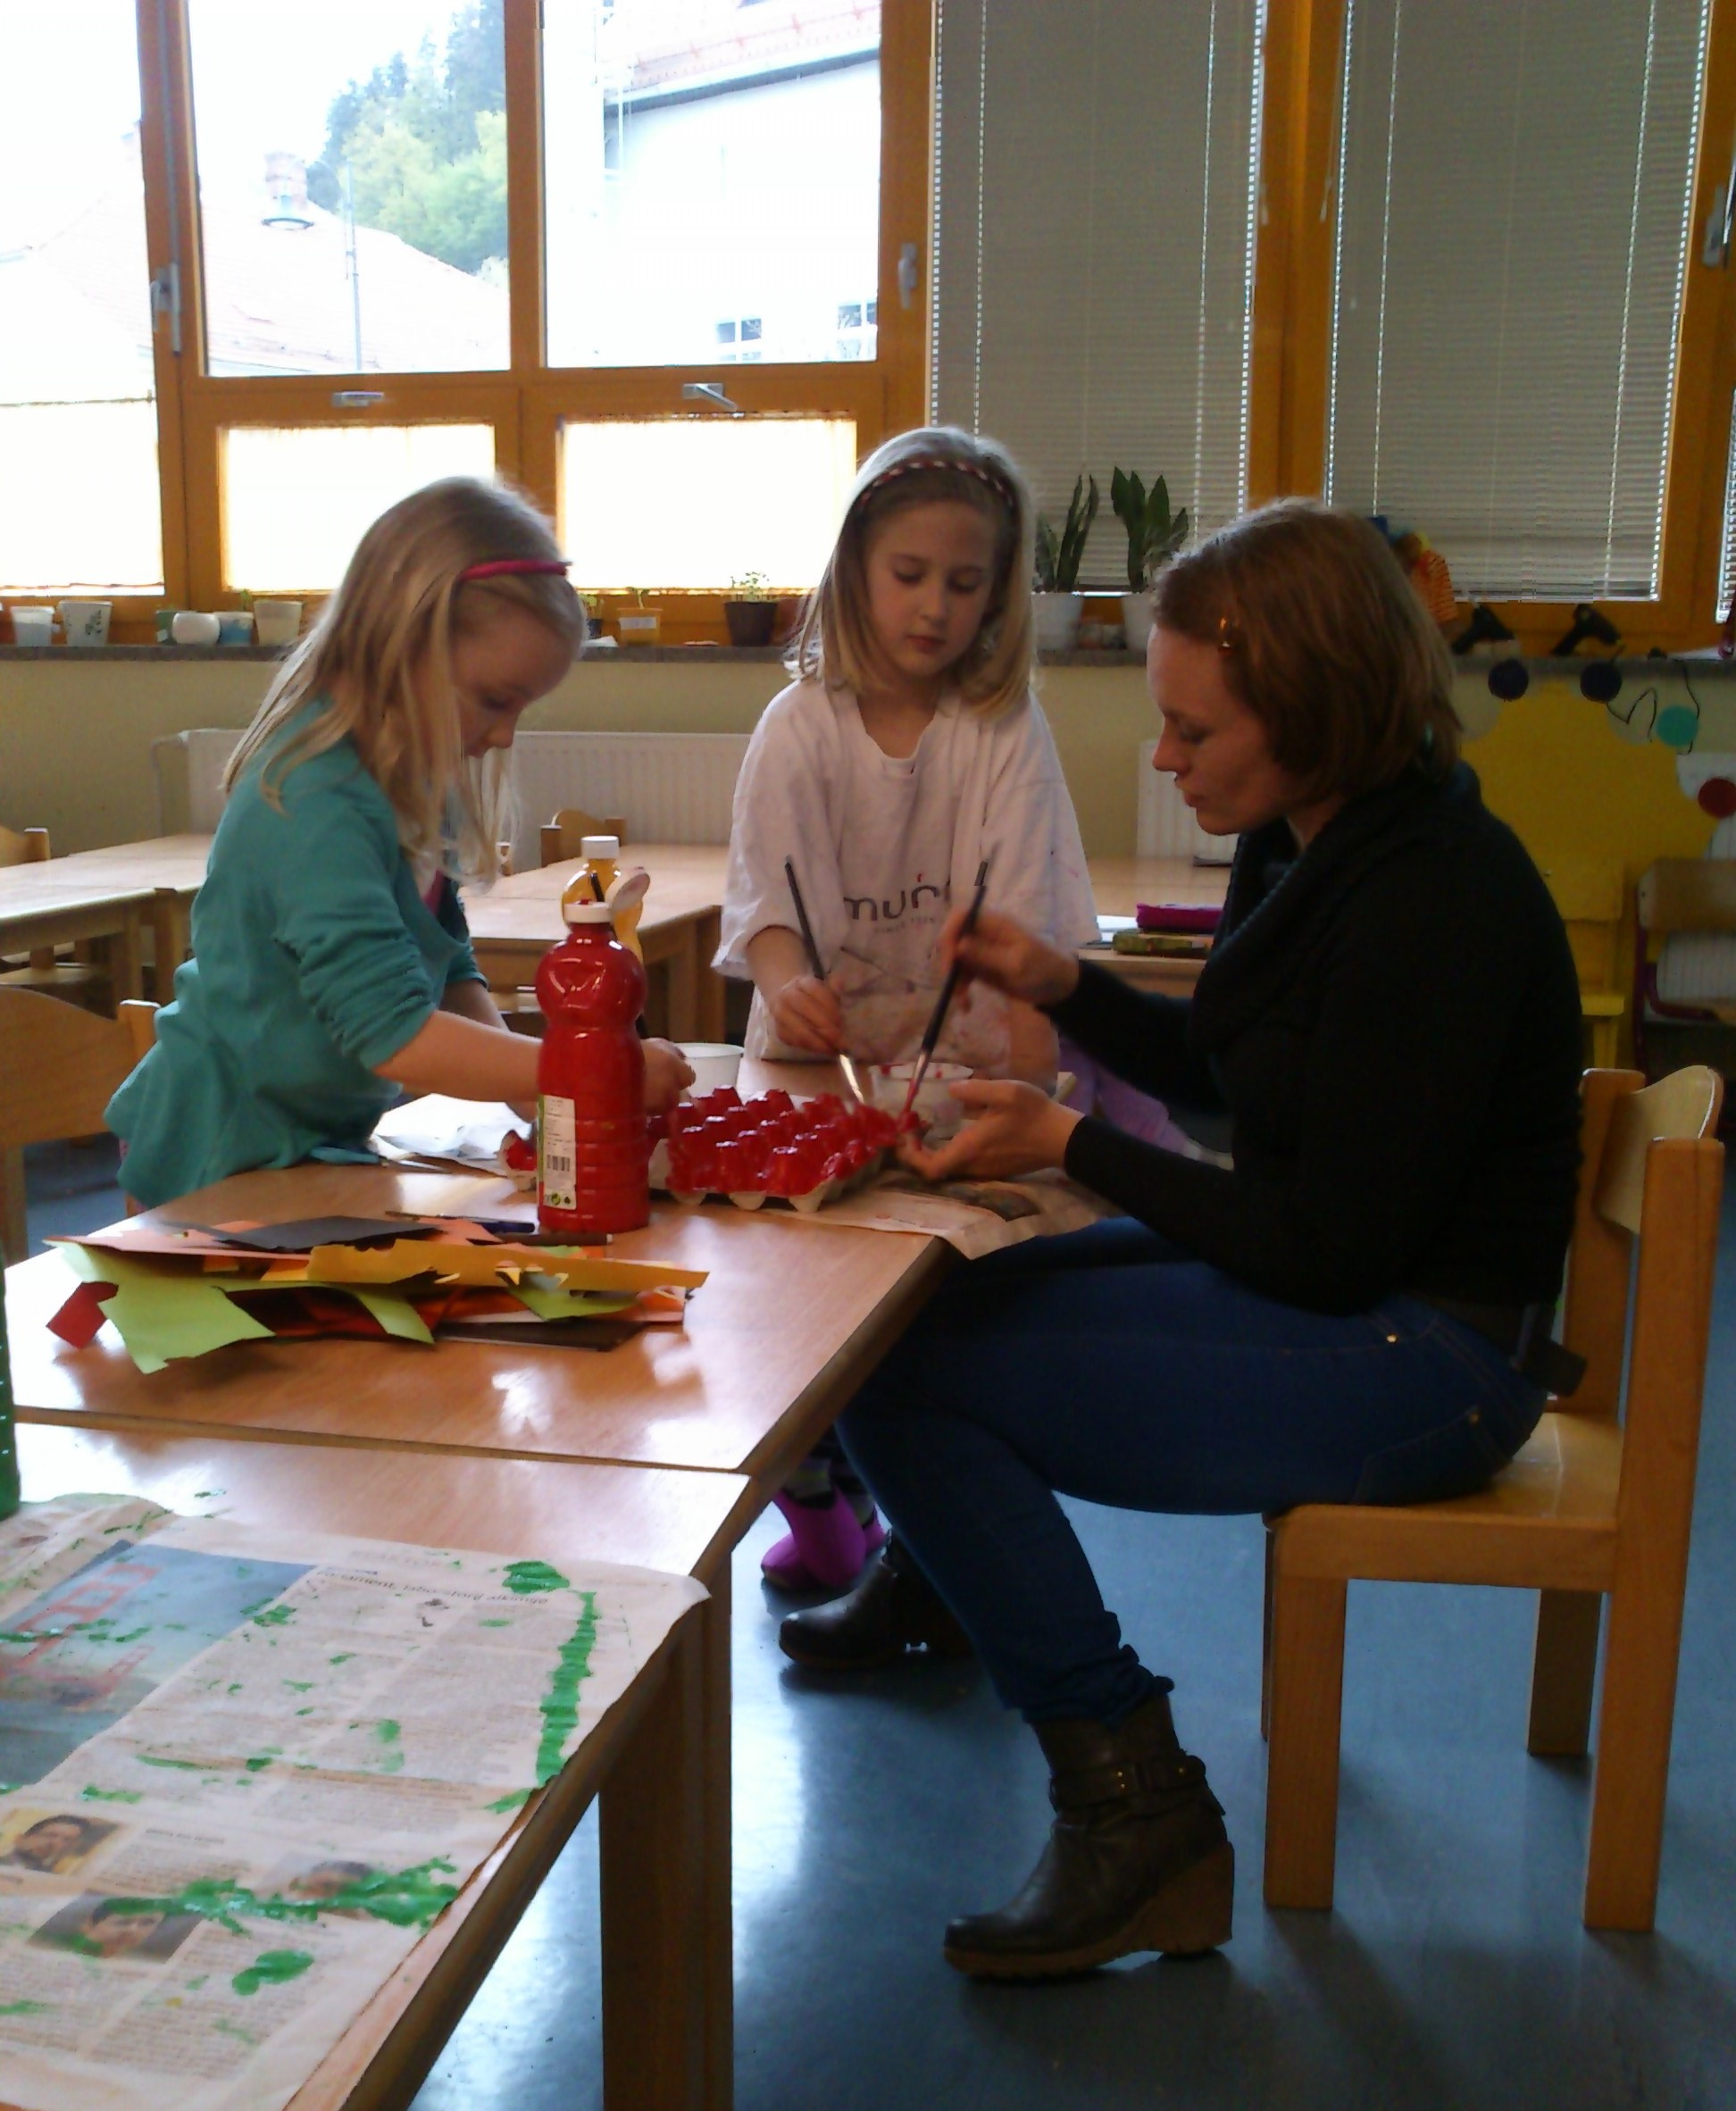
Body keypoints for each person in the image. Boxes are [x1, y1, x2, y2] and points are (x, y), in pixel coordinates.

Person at [781, 499, 1585, 1980]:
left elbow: (1323, 1246)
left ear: (1316, 713)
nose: (1163, 757)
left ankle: (1133, 1806)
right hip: (1356, 1296)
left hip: (1431, 1358)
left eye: (1192, 730)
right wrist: (1065, 986)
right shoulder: (1312, 841)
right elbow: (1228, 1086)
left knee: (903, 1373)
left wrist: (1065, 1142)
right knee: (902, 1329)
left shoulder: (1432, 899)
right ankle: (957, 1580)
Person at [715, 425, 1100, 1587]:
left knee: (943, 1318)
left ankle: (923, 1555)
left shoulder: (1003, 731)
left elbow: (1029, 933)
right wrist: (788, 983)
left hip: (963, 1075)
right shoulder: (797, 727)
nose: (936, 607)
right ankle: (825, 1502)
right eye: (910, 574)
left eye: (966, 583)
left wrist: (1029, 1092)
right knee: (800, 1322)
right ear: (854, 571)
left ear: (1000, 594)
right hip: (815, 1073)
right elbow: (767, 913)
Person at [109, 476, 690, 1206]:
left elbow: (448, 968)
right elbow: (394, 1034)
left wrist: (533, 1090)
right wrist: (588, 1068)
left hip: (308, 1148)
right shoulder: (315, 797)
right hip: (217, 1154)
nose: (505, 736)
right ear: (403, 644)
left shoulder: (412, 775)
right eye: (495, 700)